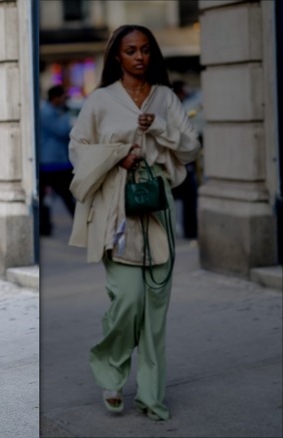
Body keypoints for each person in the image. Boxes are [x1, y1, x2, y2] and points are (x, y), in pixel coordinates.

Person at [68, 25, 200, 421]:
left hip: (156, 207)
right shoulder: (101, 100)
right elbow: (79, 148)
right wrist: (117, 156)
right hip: (115, 210)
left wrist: (158, 127)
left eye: (145, 49)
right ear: (117, 57)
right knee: (127, 301)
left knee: (156, 311)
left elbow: (191, 148)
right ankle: (110, 369)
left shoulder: (165, 98)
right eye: (130, 50)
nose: (139, 56)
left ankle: (151, 396)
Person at [39, 85, 76, 236]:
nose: (64, 100)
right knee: (66, 197)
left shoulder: (53, 111)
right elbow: (63, 131)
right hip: (52, 163)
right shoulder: (47, 113)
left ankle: (45, 227)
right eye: (63, 97)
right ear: (55, 97)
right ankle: (44, 227)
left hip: (57, 161)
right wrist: (67, 114)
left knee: (65, 197)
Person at [170, 80, 200, 239]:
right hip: (177, 161)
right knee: (187, 196)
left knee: (185, 197)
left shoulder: (178, 108)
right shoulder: (175, 110)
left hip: (179, 161)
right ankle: (189, 231)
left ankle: (189, 231)